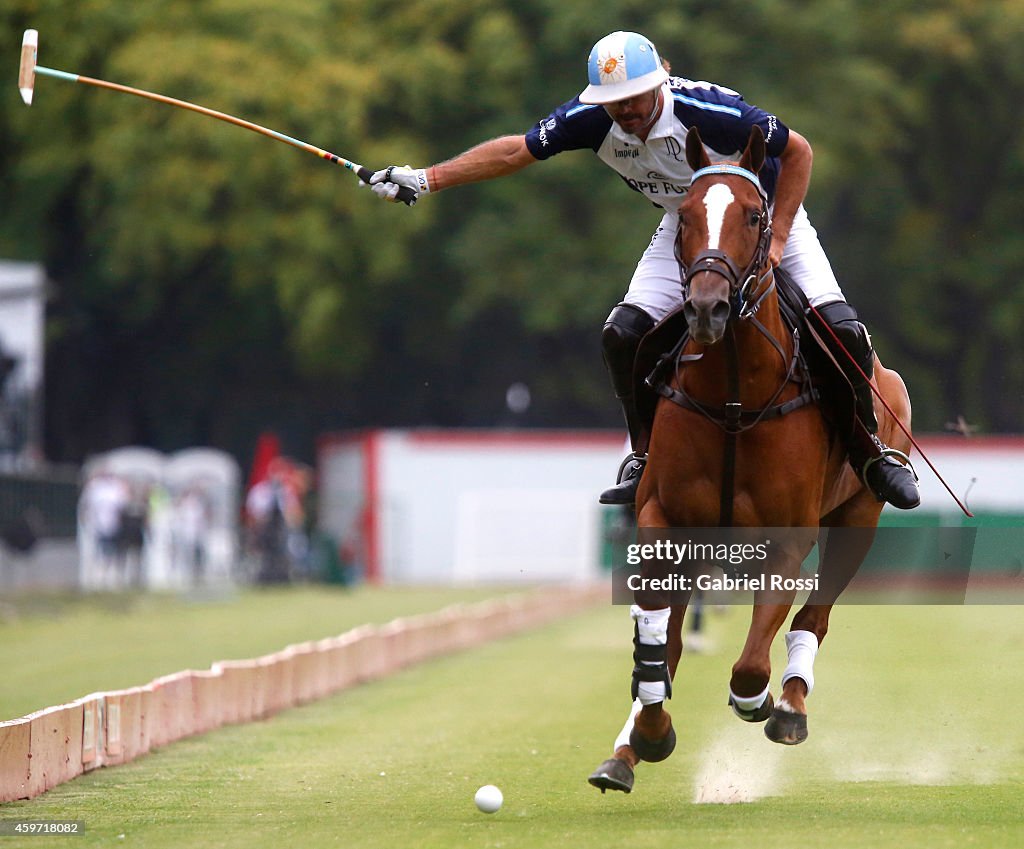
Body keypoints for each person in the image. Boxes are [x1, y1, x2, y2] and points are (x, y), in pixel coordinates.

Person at [367, 30, 919, 510]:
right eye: (614, 103)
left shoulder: (709, 111)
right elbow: (516, 152)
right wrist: (426, 179)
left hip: (761, 218)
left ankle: (869, 453)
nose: (626, 112)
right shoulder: (589, 121)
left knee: (842, 328)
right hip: (686, 227)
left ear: (661, 81)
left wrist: (775, 238)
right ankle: (645, 455)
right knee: (623, 333)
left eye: (635, 98)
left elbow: (798, 151)